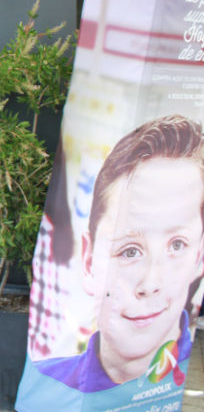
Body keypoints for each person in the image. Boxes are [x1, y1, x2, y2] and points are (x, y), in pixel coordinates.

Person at [16, 115, 204, 408]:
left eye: (177, 245)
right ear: (88, 261)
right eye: (130, 251)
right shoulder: (49, 387)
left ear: (199, 257)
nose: (150, 283)